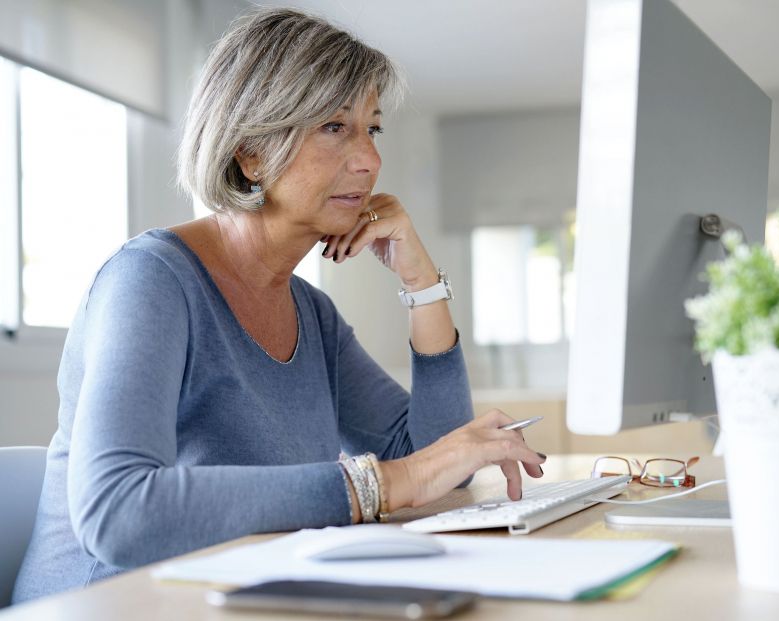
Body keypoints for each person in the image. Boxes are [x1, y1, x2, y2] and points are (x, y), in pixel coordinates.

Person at [12, 8, 545, 603]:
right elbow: (118, 512)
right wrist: (382, 485)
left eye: (373, 128)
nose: (368, 160)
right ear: (249, 153)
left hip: (241, 600)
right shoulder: (151, 281)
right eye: (334, 127)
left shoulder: (311, 314)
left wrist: (421, 282)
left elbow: (434, 462)